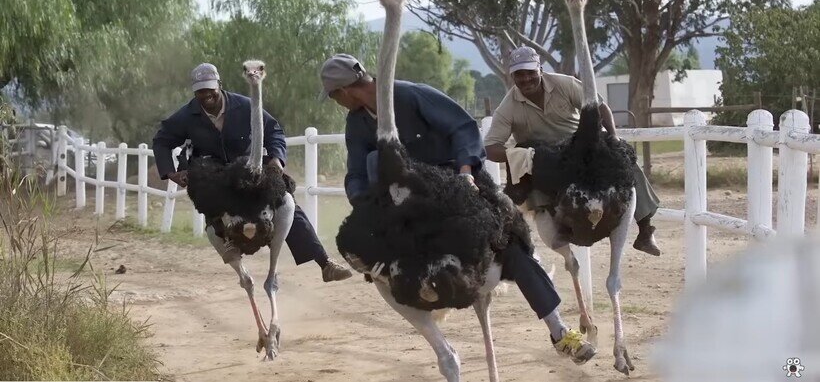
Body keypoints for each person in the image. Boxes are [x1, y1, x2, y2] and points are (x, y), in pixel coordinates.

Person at [320, 53, 596, 363]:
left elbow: (462, 127)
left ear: (343, 91)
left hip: (456, 180)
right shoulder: (357, 122)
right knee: (370, 257)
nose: (336, 102)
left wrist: (466, 172)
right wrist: (362, 203)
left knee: (510, 237)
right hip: (402, 198)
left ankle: (559, 330)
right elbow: (357, 170)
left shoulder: (411, 94)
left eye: (332, 97)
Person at [152, 62, 353, 282]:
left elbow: (273, 131)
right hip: (212, 172)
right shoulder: (186, 116)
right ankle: (225, 239)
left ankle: (324, 263)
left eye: (210, 89)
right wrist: (171, 172)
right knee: (208, 198)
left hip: (247, 166)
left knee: (284, 200)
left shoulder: (244, 105)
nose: (206, 94)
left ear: (219, 85)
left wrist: (277, 158)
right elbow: (162, 140)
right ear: (194, 92)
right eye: (200, 91)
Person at [483, 45, 662, 256]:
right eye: (519, 74)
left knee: (623, 158)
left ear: (540, 69)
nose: (526, 79)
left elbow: (599, 106)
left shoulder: (564, 84)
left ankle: (645, 228)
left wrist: (613, 135)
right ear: (512, 76)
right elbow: (491, 148)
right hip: (545, 157)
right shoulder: (507, 107)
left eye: (530, 72)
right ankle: (557, 227)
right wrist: (522, 155)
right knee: (530, 176)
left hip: (578, 146)